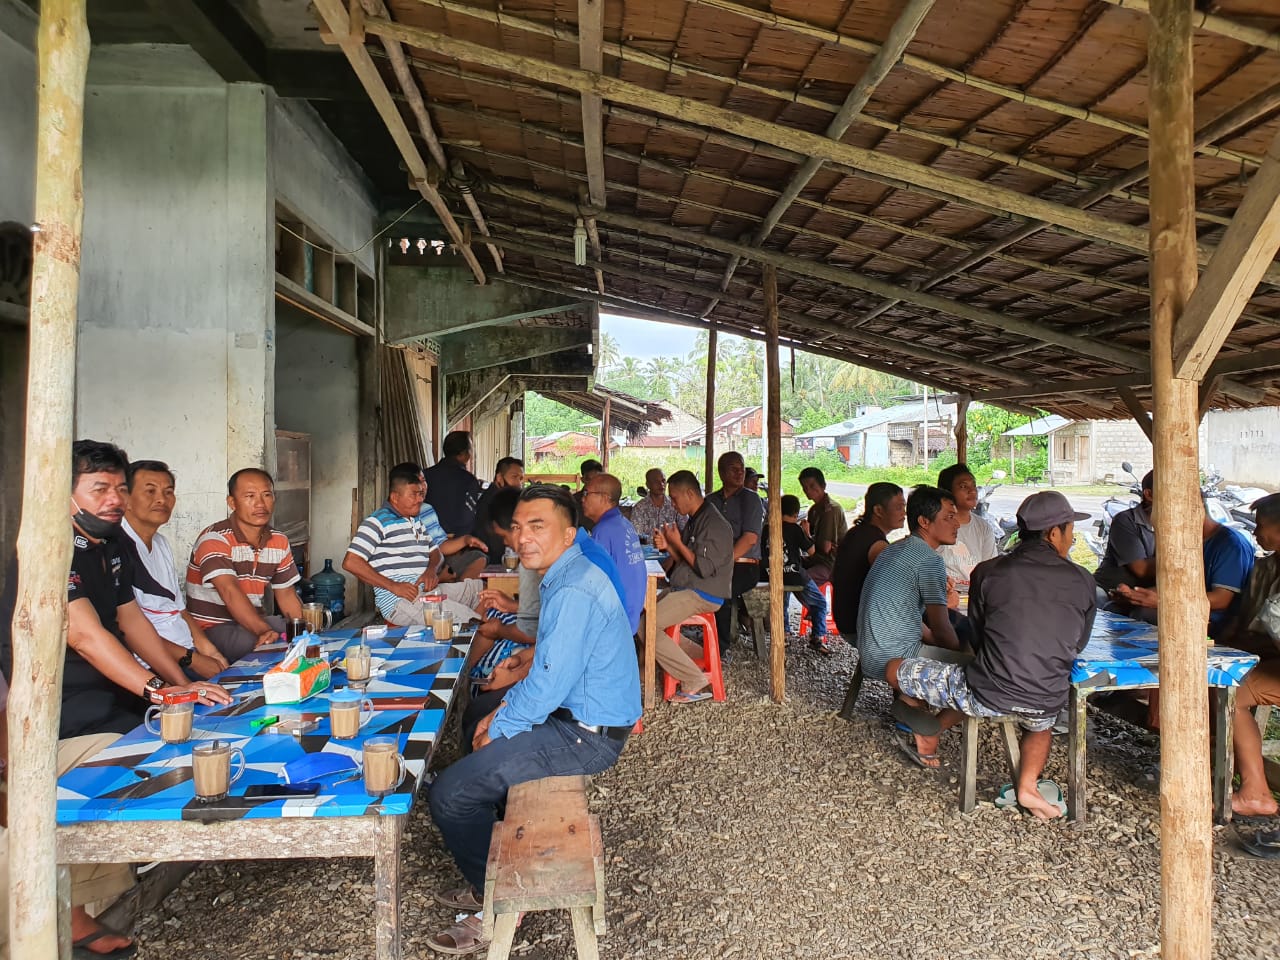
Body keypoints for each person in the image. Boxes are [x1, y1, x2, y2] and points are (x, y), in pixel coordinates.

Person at [0, 440, 231, 959]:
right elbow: (85, 635)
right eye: (99, 488)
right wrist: (158, 690)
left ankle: (86, 900)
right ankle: (63, 912)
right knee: (122, 755)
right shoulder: (49, 547)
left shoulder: (111, 546)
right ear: (64, 493)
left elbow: (131, 620)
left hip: (106, 692)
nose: (114, 499)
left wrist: (179, 682)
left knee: (185, 728)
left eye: (119, 488)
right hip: (53, 704)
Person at [426, 486, 640, 955]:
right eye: (518, 527)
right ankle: (498, 851)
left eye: (537, 526)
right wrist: (497, 713)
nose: (523, 537)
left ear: (568, 534)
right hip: (573, 714)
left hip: (586, 735)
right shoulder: (565, 572)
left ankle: (498, 898)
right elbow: (553, 660)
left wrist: (501, 725)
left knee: (450, 795)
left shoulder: (575, 586)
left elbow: (547, 685)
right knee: (478, 712)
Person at [887, 490, 1096, 817]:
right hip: (1046, 699)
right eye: (1070, 530)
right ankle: (1027, 786)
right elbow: (1078, 643)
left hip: (984, 693)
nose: (1072, 538)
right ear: (1054, 533)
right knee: (1040, 725)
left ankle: (924, 723)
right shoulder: (1083, 580)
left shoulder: (988, 572)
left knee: (894, 668)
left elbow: (979, 635)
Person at [343, 462, 488, 627]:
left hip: (428, 592)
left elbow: (436, 552)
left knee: (484, 591)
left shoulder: (415, 521)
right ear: (395, 497)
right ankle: (472, 632)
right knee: (471, 621)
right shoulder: (377, 522)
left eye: (420, 494)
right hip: (402, 601)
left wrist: (431, 570)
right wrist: (393, 586)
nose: (420, 499)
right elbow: (351, 562)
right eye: (414, 494)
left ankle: (472, 631)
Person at [121, 460, 228, 680]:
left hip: (186, 652)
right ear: (126, 499)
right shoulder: (117, 547)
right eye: (150, 491)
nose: (162, 499)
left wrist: (210, 652)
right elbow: (128, 630)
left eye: (168, 492)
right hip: (150, 666)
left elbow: (178, 609)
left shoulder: (160, 543)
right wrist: (193, 661)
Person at [185, 468, 304, 663]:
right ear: (232, 503)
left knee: (297, 637)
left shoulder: (279, 540)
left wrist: (305, 632)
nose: (260, 504)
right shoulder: (215, 539)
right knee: (274, 647)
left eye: (266, 495)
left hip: (255, 622)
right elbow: (229, 591)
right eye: (250, 496)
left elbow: (286, 595)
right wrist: (265, 632)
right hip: (214, 629)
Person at [856, 485, 962, 690]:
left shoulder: (894, 548)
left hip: (870, 655)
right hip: (896, 659)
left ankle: (911, 700)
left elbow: (903, 614)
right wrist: (959, 654)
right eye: (949, 517)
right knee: (976, 670)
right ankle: (918, 702)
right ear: (924, 522)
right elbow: (942, 629)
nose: (957, 524)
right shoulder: (929, 560)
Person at [1112, 509, 1255, 640]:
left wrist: (1165, 602)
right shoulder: (1188, 542)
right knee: (1114, 608)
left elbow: (1221, 599)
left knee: (1143, 614)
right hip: (1181, 607)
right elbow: (1175, 587)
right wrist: (1136, 596)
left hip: (1212, 620)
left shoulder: (1231, 545)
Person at [1228, 493, 1280, 818]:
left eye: (1261, 525)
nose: (1256, 532)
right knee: (1233, 692)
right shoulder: (1266, 568)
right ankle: (1255, 792)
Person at [831, 483, 905, 644]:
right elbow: (898, 586)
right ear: (878, 510)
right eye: (899, 507)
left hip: (846, 620)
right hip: (859, 626)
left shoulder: (858, 532)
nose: (904, 513)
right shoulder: (875, 543)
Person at [708, 451, 763, 652]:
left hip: (743, 565)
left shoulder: (751, 499)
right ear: (721, 473)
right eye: (734, 469)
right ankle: (703, 632)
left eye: (742, 469)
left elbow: (750, 538)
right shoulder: (710, 501)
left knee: (719, 590)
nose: (740, 473)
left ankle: (719, 647)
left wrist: (723, 562)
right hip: (715, 563)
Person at [762, 494, 830, 653]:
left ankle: (784, 634)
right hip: (794, 575)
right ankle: (817, 637)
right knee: (820, 603)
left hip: (770, 574)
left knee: (782, 604)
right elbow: (812, 551)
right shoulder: (795, 529)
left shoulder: (766, 529)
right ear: (796, 513)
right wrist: (806, 532)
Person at [582, 473, 646, 634]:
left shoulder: (604, 530)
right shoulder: (624, 524)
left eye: (587, 493)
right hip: (631, 615)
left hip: (615, 621)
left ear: (604, 498)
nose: (582, 499)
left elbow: (591, 582)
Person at [423, 431, 487, 580]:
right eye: (471, 449)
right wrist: (460, 543)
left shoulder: (425, 475)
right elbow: (468, 518)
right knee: (481, 558)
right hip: (454, 547)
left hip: (426, 549)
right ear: (463, 454)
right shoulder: (468, 480)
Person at [1094, 470, 1155, 594]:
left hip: (1143, 596)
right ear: (1149, 494)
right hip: (1108, 592)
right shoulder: (1126, 521)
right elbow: (1142, 569)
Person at [934, 463, 997, 584]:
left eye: (974, 485)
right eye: (963, 486)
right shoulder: (936, 526)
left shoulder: (983, 527)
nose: (972, 491)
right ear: (947, 492)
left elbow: (990, 570)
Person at [472, 456, 525, 565]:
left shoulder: (505, 500)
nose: (518, 484)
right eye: (514, 477)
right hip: (494, 559)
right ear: (499, 478)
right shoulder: (493, 502)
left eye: (520, 479)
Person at [798, 467, 846, 584]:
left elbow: (826, 548)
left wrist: (805, 534)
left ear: (823, 486)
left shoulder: (831, 510)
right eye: (804, 487)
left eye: (812, 486)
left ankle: (816, 598)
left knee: (799, 580)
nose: (808, 490)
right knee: (787, 568)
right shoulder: (814, 510)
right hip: (817, 559)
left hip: (830, 563)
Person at [630, 467, 686, 539]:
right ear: (648, 484)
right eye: (656, 482)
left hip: (673, 546)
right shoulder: (639, 508)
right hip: (648, 546)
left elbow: (686, 530)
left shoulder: (675, 504)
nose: (661, 484)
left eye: (663, 481)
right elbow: (636, 536)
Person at [572, 458, 604, 531]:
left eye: (598, 480)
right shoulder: (574, 501)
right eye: (590, 480)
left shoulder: (606, 499)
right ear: (583, 480)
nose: (594, 483)